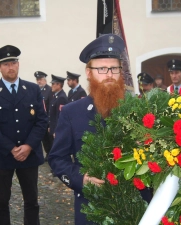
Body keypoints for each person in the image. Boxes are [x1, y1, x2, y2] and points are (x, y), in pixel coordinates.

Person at [48, 34, 152, 224]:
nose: (109, 75)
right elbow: (57, 159)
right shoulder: (72, 113)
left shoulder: (140, 110)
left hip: (138, 210)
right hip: (91, 211)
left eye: (114, 68)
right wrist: (82, 179)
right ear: (89, 73)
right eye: (102, 69)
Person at [0, 45, 48, 225]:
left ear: (18, 65)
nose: (11, 67)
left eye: (14, 63)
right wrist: (11, 148)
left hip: (29, 155)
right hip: (2, 156)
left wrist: (28, 146)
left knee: (32, 201)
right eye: (6, 64)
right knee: (1, 202)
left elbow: (42, 121)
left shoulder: (33, 90)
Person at [34, 71, 52, 160]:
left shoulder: (50, 90)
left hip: (48, 119)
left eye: (40, 79)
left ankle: (51, 155)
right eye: (37, 80)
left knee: (50, 139)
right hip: (40, 119)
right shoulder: (37, 91)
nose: (39, 81)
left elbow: (50, 107)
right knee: (44, 139)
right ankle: (48, 153)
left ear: (45, 80)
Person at [48, 74, 67, 140]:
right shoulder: (56, 96)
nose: (51, 86)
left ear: (59, 85)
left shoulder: (61, 97)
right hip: (53, 128)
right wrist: (51, 126)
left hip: (57, 130)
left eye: (53, 84)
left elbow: (60, 116)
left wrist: (57, 130)